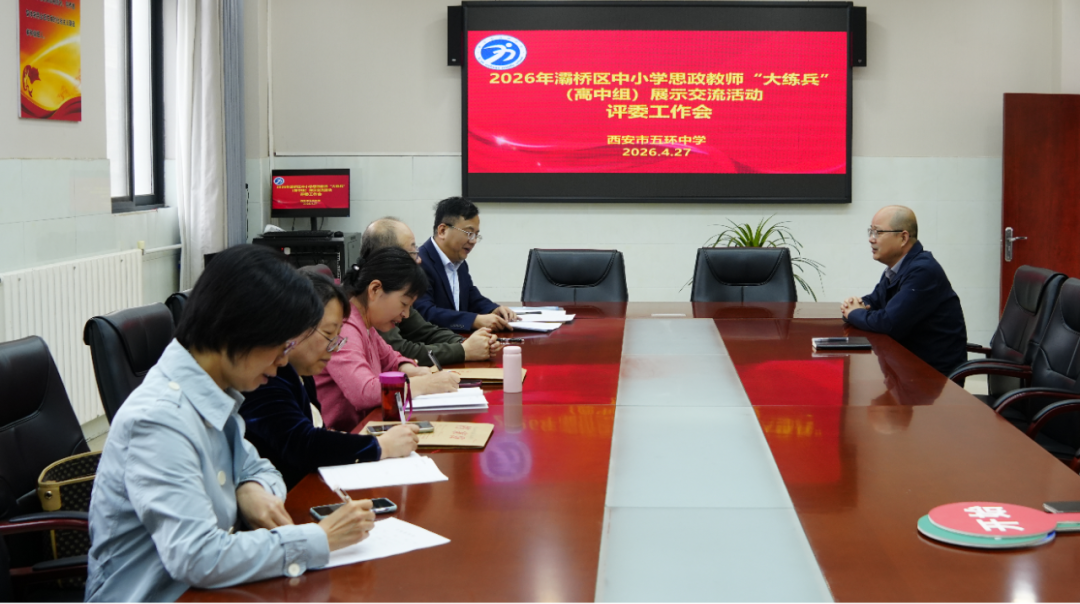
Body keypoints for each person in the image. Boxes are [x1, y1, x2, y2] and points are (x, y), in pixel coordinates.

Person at [86, 245, 376, 603]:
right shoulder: (159, 420)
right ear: (239, 331)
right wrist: (319, 539)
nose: (282, 361)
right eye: (281, 345)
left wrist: (249, 488)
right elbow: (197, 557)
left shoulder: (214, 393)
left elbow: (263, 469)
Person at [240, 269, 420, 490]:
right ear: (291, 325)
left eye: (337, 338)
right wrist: (380, 446)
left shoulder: (300, 372)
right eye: (328, 335)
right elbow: (302, 445)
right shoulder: (265, 377)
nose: (334, 348)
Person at [315, 247, 460, 431]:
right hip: (341, 437)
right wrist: (424, 384)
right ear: (375, 289)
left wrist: (410, 370)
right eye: (404, 304)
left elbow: (392, 360)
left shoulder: (366, 325)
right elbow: (364, 392)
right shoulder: (345, 327)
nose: (406, 314)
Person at [841, 205, 967, 376]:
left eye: (878, 232)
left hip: (932, 376)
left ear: (903, 238)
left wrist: (854, 313)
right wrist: (853, 306)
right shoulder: (897, 268)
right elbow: (875, 301)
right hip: (906, 366)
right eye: (871, 232)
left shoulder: (923, 271)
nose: (871, 239)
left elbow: (889, 324)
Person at [362, 217, 502, 366]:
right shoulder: (373, 296)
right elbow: (400, 351)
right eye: (412, 252)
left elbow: (424, 331)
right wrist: (463, 350)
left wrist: (468, 343)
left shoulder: (395, 288)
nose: (419, 260)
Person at [414, 197, 519, 331]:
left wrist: (494, 309)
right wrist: (473, 321)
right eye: (469, 233)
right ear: (442, 231)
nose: (473, 241)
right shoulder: (419, 263)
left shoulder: (459, 263)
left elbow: (471, 297)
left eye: (476, 235)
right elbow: (425, 313)